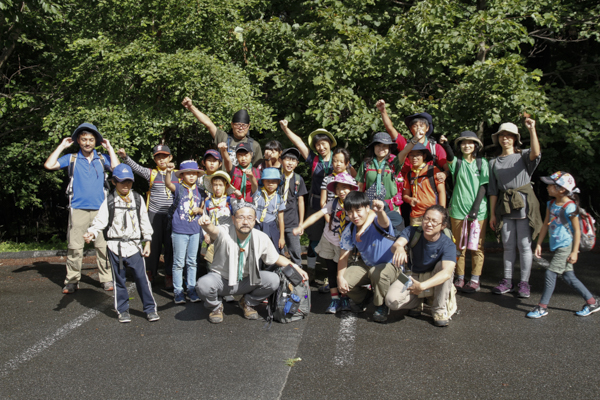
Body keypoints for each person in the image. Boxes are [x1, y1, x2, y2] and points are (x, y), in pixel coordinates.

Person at [196, 202, 309, 324]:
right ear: (233, 219)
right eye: (241, 217)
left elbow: (276, 258)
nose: (245, 222)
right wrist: (207, 225)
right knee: (203, 285)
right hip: (221, 280)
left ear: (255, 220)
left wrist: (297, 267)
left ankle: (247, 302)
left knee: (273, 279)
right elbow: (213, 231)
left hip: (246, 281)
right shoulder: (225, 231)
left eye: (250, 218)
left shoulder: (261, 237)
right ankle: (216, 307)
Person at [44, 123, 119, 294]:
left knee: (102, 247)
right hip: (78, 208)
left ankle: (106, 278)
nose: (87, 143)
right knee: (75, 247)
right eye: (84, 139)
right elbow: (49, 165)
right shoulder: (71, 158)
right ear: (78, 140)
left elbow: (116, 168)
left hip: (101, 210)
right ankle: (72, 280)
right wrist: (62, 146)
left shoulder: (102, 158)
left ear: (96, 142)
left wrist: (110, 148)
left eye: (91, 140)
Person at [83, 164, 158, 323]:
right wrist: (92, 232)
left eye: (129, 182)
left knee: (141, 278)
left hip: (134, 246)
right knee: (119, 280)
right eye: (122, 182)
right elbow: (100, 222)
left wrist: (148, 242)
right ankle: (123, 310)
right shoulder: (109, 201)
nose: (126, 185)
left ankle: (150, 309)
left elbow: (145, 223)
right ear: (114, 182)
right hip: (115, 247)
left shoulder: (137, 199)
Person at [527, 172, 599, 318]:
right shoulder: (551, 203)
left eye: (550, 185)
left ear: (561, 189)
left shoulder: (570, 207)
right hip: (557, 245)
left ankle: (542, 307)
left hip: (566, 246)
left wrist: (574, 252)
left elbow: (577, 231)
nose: (547, 187)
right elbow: (545, 225)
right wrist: (539, 243)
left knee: (550, 273)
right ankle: (592, 302)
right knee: (568, 277)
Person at [488, 117, 542, 298]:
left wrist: (532, 129)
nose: (505, 139)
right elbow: (493, 191)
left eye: (509, 136)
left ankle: (524, 283)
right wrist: (492, 215)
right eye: (502, 136)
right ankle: (507, 281)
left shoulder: (523, 156)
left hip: (524, 204)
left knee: (525, 246)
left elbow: (536, 152)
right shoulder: (493, 163)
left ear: (515, 139)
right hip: (504, 207)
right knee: (508, 246)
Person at [294, 173, 360, 314]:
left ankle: (345, 297)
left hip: (345, 245)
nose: (341, 191)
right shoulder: (333, 203)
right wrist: (302, 226)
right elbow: (317, 215)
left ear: (351, 189)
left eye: (344, 188)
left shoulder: (354, 205)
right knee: (331, 270)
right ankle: (335, 298)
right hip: (329, 240)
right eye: (338, 188)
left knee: (343, 272)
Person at [279, 119, 338, 278]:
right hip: (316, 203)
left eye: (324, 143)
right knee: (314, 237)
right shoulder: (314, 159)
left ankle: (330, 273)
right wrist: (286, 129)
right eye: (318, 144)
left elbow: (353, 176)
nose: (321, 147)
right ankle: (311, 269)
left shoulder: (338, 158)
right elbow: (298, 142)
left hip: (336, 203)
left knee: (334, 238)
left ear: (330, 143)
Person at [386, 205, 457, 327]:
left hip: (432, 279)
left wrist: (422, 286)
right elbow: (396, 244)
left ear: (443, 226)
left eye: (434, 221)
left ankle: (439, 309)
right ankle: (418, 302)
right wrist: (399, 247)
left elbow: (446, 273)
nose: (429, 224)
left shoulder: (448, 244)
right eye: (426, 219)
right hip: (412, 275)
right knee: (391, 301)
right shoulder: (412, 231)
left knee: (444, 268)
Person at [118, 144, 177, 288]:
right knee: (153, 245)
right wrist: (125, 157)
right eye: (158, 157)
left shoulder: (178, 174)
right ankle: (150, 272)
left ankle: (169, 275)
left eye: (164, 157)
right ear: (155, 160)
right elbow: (137, 168)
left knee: (170, 246)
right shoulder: (151, 173)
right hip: (154, 214)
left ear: (170, 157)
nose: (162, 160)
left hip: (172, 215)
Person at [337, 192, 401, 323]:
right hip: (367, 265)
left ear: (367, 208)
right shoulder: (349, 230)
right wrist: (339, 278)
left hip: (390, 266)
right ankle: (365, 298)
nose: (354, 216)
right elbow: (343, 257)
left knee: (376, 273)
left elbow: (384, 221)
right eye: (350, 212)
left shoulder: (377, 221)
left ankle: (381, 305)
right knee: (345, 280)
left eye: (358, 210)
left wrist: (381, 211)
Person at [439, 132, 489, 293]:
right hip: (458, 210)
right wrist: (446, 144)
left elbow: (483, 186)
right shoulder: (457, 163)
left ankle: (475, 278)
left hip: (479, 212)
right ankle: (460, 277)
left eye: (470, 143)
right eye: (463, 143)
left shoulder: (482, 163)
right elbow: (450, 156)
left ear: (476, 145)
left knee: (477, 246)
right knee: (459, 246)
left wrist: (475, 209)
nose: (467, 145)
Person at [165, 160, 205, 304]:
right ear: (182, 175)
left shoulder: (200, 191)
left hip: (194, 230)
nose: (191, 176)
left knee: (192, 262)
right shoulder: (178, 188)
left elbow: (204, 209)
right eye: (188, 173)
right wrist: (168, 172)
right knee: (178, 263)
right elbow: (168, 184)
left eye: (194, 173)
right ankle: (178, 291)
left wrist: (200, 210)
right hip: (179, 230)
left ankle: (192, 289)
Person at [181, 97, 262, 166]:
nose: (241, 128)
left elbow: (258, 169)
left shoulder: (254, 145)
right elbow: (208, 123)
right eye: (237, 124)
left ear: (248, 126)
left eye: (244, 125)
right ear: (232, 125)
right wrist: (191, 107)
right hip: (223, 183)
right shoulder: (224, 137)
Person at [357, 131, 421, 212]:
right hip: (371, 207)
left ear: (389, 148)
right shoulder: (366, 164)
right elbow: (360, 185)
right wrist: (358, 204)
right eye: (378, 145)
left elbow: (405, 152)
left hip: (391, 207)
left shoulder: (394, 162)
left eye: (385, 146)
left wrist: (415, 139)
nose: (381, 148)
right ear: (373, 147)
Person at [403, 143, 446, 226]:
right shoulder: (409, 174)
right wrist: (410, 200)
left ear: (424, 156)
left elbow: (441, 192)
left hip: (433, 214)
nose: (414, 158)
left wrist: (442, 213)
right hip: (416, 216)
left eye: (418, 155)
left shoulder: (433, 170)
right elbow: (405, 195)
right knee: (416, 238)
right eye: (411, 155)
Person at [279, 148, 308, 267]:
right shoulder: (276, 176)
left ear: (297, 164)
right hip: (276, 221)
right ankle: (280, 278)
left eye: (293, 160)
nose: (290, 163)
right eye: (287, 159)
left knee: (295, 252)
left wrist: (301, 223)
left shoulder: (298, 179)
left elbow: (301, 202)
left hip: (292, 221)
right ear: (281, 161)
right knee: (278, 252)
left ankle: (299, 279)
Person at [202, 171, 234, 267]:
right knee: (210, 262)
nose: (218, 188)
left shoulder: (229, 201)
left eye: (220, 185)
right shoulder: (208, 202)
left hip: (227, 236)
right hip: (212, 237)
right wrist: (206, 234)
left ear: (226, 186)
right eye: (215, 185)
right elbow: (204, 217)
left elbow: (238, 212)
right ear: (211, 186)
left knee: (226, 263)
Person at [253, 167, 286, 255]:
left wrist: (282, 237)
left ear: (278, 183)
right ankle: (257, 268)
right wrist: (251, 176)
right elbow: (253, 183)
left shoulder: (279, 199)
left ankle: (271, 269)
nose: (270, 184)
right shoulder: (258, 194)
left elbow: (281, 219)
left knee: (272, 250)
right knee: (256, 250)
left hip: (271, 226)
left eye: (274, 181)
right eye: (267, 181)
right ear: (263, 182)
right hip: (257, 226)